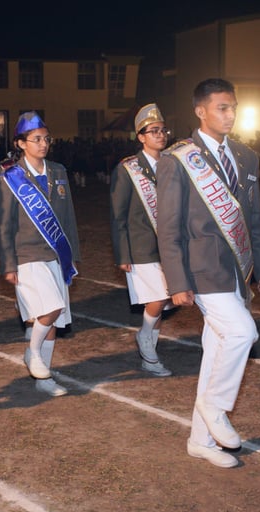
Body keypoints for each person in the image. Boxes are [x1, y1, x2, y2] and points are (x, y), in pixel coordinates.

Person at [157, 78, 260, 468]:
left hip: (238, 269)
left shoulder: (246, 157)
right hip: (202, 268)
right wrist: (177, 281)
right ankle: (216, 405)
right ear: (200, 111)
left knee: (215, 353)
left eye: (234, 107)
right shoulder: (177, 159)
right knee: (243, 332)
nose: (230, 115)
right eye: (222, 108)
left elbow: (254, 218)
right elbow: (168, 228)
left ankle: (201, 441)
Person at [0, 111, 81, 397]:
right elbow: (3, 223)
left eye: (46, 139)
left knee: (53, 319)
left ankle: (45, 378)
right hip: (26, 254)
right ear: (21, 143)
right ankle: (33, 352)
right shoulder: (10, 175)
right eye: (36, 139)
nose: (43, 144)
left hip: (55, 253)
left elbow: (68, 217)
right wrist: (8, 263)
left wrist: (72, 253)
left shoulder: (58, 171)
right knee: (51, 307)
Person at [110, 103, 173, 377]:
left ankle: (150, 358)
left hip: (169, 245)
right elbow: (118, 214)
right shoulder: (128, 169)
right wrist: (122, 253)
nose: (160, 135)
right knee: (159, 297)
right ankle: (145, 336)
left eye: (163, 130)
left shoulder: (172, 164)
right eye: (153, 131)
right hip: (141, 245)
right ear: (141, 136)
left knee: (163, 301)